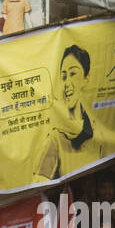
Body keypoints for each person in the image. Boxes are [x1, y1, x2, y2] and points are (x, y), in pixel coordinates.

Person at [35, 45, 103, 181]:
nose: (67, 83)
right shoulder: (55, 138)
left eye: (73, 74)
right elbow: (39, 183)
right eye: (63, 76)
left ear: (86, 78)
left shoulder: (97, 132)